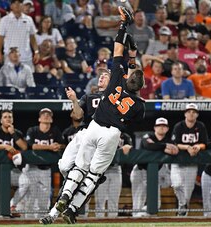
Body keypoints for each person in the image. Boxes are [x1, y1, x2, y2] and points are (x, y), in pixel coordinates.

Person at [57, 7, 145, 224]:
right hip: (112, 134)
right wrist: (132, 60)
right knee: (94, 175)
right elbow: (133, 86)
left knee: (79, 167)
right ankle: (73, 209)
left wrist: (123, 25)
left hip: (94, 126)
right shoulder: (139, 104)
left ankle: (65, 196)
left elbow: (116, 50)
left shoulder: (115, 79)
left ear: (126, 78)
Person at [39, 68, 111, 224]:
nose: (101, 77)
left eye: (105, 76)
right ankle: (76, 185)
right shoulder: (89, 96)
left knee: (79, 176)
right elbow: (77, 115)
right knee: (64, 166)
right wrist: (74, 100)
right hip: (83, 134)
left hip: (99, 138)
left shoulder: (115, 97)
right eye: (101, 75)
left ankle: (55, 212)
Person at [130, 117, 178, 217]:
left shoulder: (169, 140)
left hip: (154, 173)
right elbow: (148, 146)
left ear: (167, 129)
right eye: (159, 126)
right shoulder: (148, 135)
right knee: (138, 201)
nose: (161, 128)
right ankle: (136, 220)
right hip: (140, 171)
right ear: (155, 127)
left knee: (156, 203)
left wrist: (158, 146)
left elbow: (175, 151)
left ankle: (144, 217)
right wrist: (164, 147)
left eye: (164, 126)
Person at [25, 108, 64, 218]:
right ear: (39, 118)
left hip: (46, 170)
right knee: (31, 198)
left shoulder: (55, 131)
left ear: (51, 119)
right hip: (32, 168)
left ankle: (42, 221)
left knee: (44, 199)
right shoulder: (32, 130)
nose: (46, 116)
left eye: (48, 115)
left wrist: (59, 146)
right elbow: (32, 146)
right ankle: (28, 222)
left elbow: (62, 144)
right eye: (43, 114)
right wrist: (50, 147)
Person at [170, 103, 208, 216]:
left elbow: (205, 143)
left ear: (197, 114)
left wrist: (198, 147)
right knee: (176, 185)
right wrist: (187, 147)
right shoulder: (179, 126)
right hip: (178, 163)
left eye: (194, 112)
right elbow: (174, 143)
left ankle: (182, 217)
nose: (191, 114)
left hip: (192, 164)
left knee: (187, 193)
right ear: (185, 113)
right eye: (189, 112)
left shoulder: (200, 126)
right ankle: (182, 205)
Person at [0, 110, 28, 218]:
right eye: (5, 117)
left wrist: (13, 134)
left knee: (26, 183)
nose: (8, 119)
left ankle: (12, 205)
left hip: (14, 170)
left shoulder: (17, 133)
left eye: (10, 117)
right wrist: (4, 147)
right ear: (1, 120)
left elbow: (24, 147)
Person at [95, 132, 133, 218]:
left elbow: (130, 149)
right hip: (102, 169)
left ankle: (113, 220)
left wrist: (128, 147)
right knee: (100, 200)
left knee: (114, 199)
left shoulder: (125, 136)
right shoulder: (102, 133)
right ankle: (98, 221)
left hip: (116, 169)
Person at [0, 0, 39, 69]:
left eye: (19, 3)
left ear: (22, 5)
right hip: (9, 57)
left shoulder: (29, 19)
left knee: (29, 79)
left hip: (26, 57)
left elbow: (32, 37)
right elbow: (0, 38)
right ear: (11, 6)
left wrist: (36, 51)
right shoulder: (4, 20)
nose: (17, 5)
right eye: (14, 3)